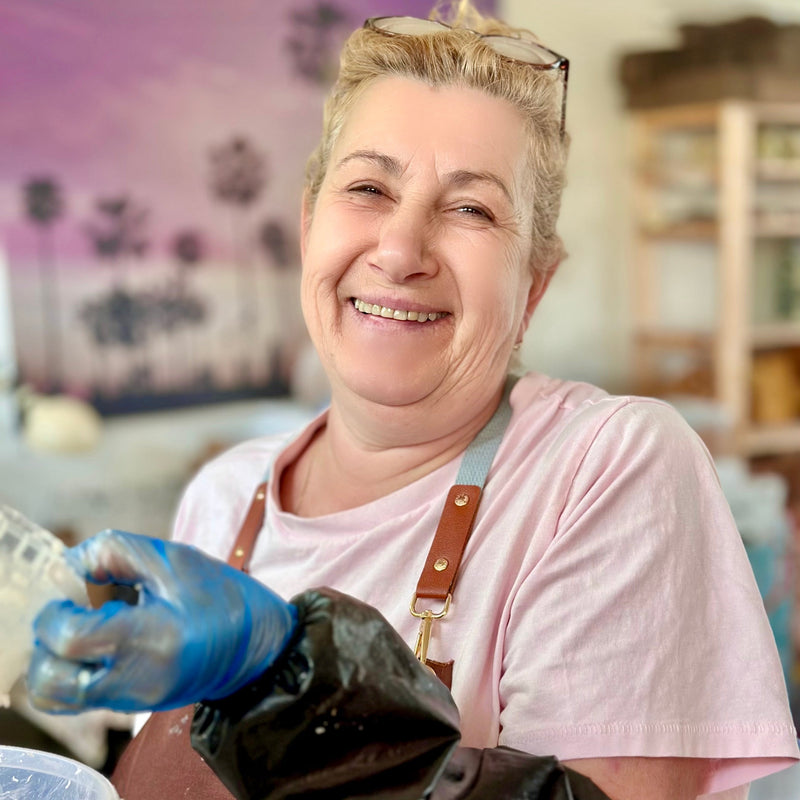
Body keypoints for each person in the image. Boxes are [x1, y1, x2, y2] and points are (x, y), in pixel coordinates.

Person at [26, 3, 799, 799]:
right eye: (366, 187)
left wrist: (276, 675)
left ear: (533, 285)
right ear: (308, 227)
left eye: (471, 208)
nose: (399, 251)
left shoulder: (606, 466)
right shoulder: (223, 499)